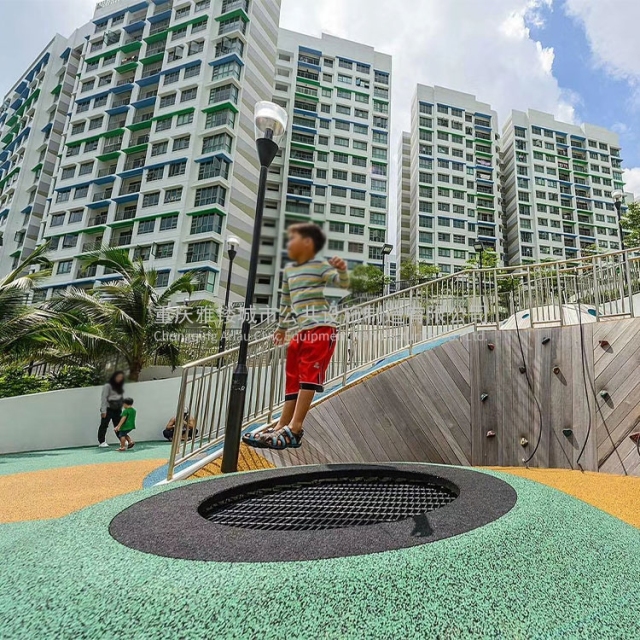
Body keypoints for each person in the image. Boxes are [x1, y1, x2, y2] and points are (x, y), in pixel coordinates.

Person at [244, 222, 349, 451]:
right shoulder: (289, 271)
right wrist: (281, 328)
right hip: (301, 331)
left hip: (322, 328)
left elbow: (340, 284)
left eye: (293, 239)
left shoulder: (320, 265)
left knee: (308, 376)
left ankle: (295, 427)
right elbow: (285, 301)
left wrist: (341, 270)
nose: (289, 243)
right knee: (293, 375)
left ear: (308, 243)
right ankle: (282, 423)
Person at [98, 371, 125, 447]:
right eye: (118, 377)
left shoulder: (119, 386)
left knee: (118, 425)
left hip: (117, 408)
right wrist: (103, 410)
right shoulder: (108, 386)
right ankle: (102, 441)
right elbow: (104, 398)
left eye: (121, 377)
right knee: (104, 425)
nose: (120, 379)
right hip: (108, 408)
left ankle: (121, 439)